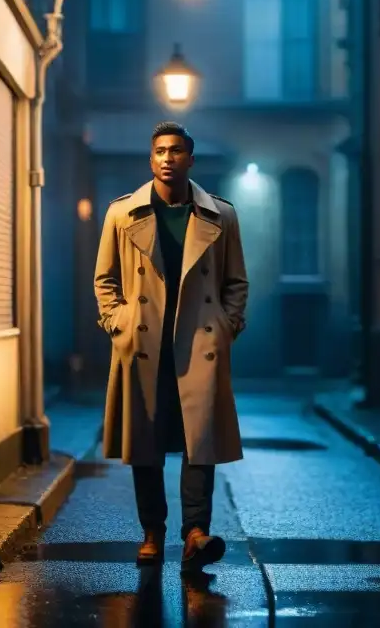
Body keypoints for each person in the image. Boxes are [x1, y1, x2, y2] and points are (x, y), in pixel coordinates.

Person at [93, 121, 249, 572]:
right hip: (143, 342)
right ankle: (152, 532)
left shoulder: (221, 215)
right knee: (146, 443)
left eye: (176, 151)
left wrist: (226, 324)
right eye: (160, 151)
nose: (167, 158)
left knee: (201, 441)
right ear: (151, 159)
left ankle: (196, 533)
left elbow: (236, 280)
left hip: (199, 343)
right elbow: (105, 279)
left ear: (190, 159)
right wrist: (118, 322)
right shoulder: (122, 214)